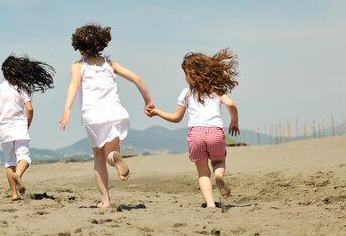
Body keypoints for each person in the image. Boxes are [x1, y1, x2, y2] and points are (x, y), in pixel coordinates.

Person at [59, 24, 154, 208]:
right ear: (101, 43)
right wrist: (147, 101)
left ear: (78, 45)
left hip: (93, 115)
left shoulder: (78, 66)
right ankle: (116, 159)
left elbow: (74, 86)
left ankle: (105, 200)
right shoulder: (111, 64)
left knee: (98, 157)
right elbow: (137, 79)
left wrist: (67, 108)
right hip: (115, 113)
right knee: (111, 153)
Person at [147, 49, 240, 208]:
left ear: (192, 74)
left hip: (196, 134)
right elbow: (231, 104)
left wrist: (157, 112)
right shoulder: (216, 90)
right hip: (215, 133)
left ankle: (210, 204)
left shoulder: (186, 93)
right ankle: (218, 175)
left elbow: (176, 118)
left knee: (203, 172)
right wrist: (234, 122)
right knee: (218, 161)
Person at [0, 55, 55, 201]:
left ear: (4, 72)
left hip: (4, 130)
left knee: (9, 162)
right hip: (19, 127)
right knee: (24, 157)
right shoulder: (22, 89)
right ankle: (19, 174)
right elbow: (30, 109)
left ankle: (14, 194)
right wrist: (28, 123)